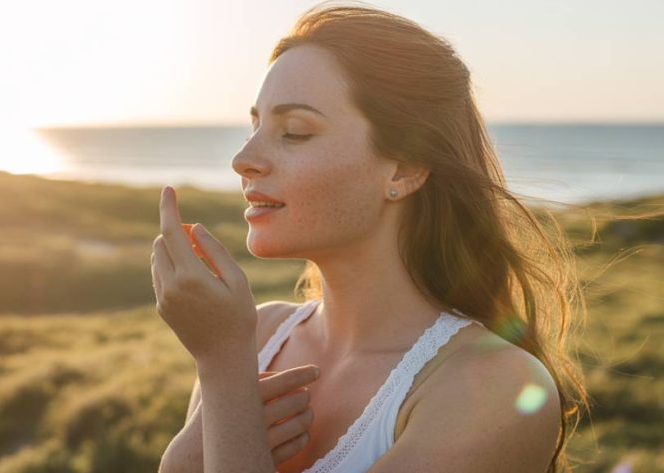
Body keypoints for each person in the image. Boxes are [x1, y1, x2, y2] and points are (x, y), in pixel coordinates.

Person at [153, 2, 589, 472]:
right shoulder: (258, 335)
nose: (244, 158)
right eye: (255, 126)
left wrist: (222, 373)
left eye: (294, 132)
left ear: (404, 167)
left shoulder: (493, 385)